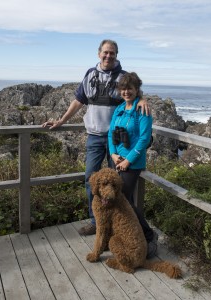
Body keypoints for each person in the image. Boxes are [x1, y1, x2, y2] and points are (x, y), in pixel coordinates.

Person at [42, 39, 157, 257]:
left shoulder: (122, 76)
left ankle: (128, 229)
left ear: (116, 55)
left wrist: (142, 98)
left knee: (119, 190)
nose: (108, 56)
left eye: (112, 53)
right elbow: (78, 101)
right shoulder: (90, 75)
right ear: (99, 53)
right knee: (91, 180)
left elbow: (130, 91)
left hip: (119, 142)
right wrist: (61, 121)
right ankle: (97, 222)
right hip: (96, 137)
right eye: (105, 53)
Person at [108, 72, 158, 258]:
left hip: (133, 162)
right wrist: (113, 154)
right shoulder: (119, 109)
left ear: (137, 90)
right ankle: (129, 233)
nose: (126, 91)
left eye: (130, 88)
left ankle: (148, 234)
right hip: (118, 160)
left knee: (122, 198)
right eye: (123, 88)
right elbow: (110, 133)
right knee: (120, 198)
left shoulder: (142, 110)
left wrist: (128, 160)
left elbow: (144, 139)